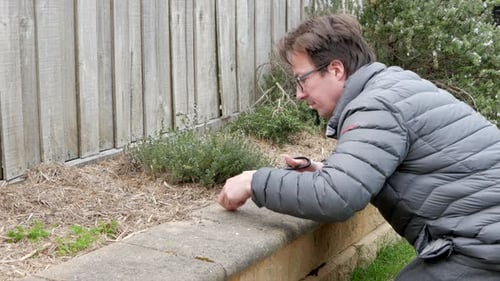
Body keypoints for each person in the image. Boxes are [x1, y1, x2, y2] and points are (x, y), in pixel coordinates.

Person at [217, 13, 500, 280]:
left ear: (336, 69)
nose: (299, 94)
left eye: (302, 79)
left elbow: (337, 196)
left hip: (483, 247)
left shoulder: (376, 106)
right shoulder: (390, 88)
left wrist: (255, 181)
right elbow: (373, 168)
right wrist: (324, 169)